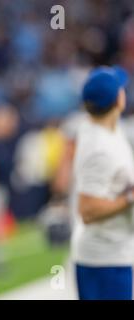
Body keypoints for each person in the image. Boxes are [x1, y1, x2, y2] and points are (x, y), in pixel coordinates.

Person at [71, 66, 134, 300]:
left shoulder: (105, 129)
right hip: (104, 260)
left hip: (114, 252)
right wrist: (129, 197)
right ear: (118, 98)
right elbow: (87, 210)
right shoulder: (99, 148)